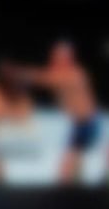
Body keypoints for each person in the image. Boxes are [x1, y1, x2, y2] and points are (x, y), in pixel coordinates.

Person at [9, 42, 100, 185]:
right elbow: (43, 77)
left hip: (86, 124)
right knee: (75, 165)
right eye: (53, 57)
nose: (53, 60)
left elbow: (41, 78)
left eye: (57, 58)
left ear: (67, 59)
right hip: (83, 124)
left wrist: (16, 72)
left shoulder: (72, 75)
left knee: (66, 169)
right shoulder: (68, 74)